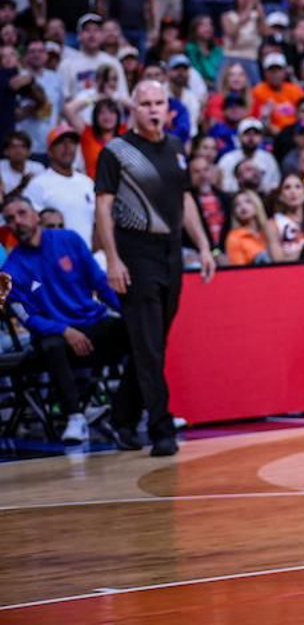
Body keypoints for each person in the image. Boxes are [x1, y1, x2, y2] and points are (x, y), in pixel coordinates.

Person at [95, 79, 217, 456]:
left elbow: (185, 200)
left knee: (152, 344)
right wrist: (113, 259)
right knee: (148, 346)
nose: (152, 109)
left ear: (168, 108)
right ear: (132, 108)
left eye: (158, 102)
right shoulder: (116, 152)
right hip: (135, 250)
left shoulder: (176, 148)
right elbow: (102, 207)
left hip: (170, 252)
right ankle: (161, 428)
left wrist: (203, 246)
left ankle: (120, 418)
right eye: (144, 103)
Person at [1, 193, 133, 446]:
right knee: (51, 345)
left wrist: (129, 313)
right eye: (10, 219)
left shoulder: (69, 240)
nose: (17, 221)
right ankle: (75, 417)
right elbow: (29, 319)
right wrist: (64, 330)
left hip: (93, 324)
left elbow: (100, 283)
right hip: (58, 338)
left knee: (139, 332)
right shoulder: (10, 273)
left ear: (36, 216)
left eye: (21, 213)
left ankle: (137, 408)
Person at [30, 124, 98, 246]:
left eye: (72, 142)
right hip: (54, 257)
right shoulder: (38, 184)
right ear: (50, 152)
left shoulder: (87, 182)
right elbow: (31, 227)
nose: (67, 147)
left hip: (86, 256)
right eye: (61, 142)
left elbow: (96, 224)